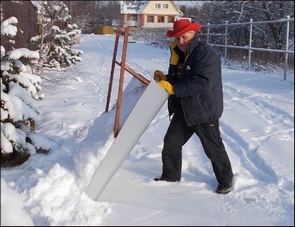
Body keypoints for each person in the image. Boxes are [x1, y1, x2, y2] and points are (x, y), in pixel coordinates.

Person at [154, 18, 234, 194]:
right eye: (177, 38)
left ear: (193, 34)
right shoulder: (182, 54)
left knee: (213, 148)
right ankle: (170, 177)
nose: (181, 42)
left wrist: (174, 89)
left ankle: (226, 181)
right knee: (171, 142)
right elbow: (182, 78)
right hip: (186, 108)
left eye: (184, 37)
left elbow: (202, 82)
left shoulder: (206, 55)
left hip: (204, 110)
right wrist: (167, 78)